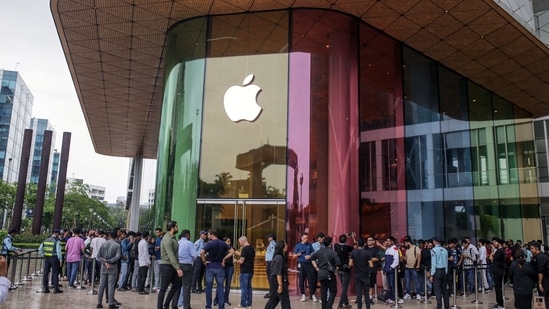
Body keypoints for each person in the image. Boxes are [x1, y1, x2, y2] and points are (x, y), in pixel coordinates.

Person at [201, 229, 234, 309]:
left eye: (209, 235)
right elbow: (232, 251)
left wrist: (204, 261)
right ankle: (221, 306)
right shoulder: (223, 244)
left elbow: (201, 252)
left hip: (210, 266)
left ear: (212, 235)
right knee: (220, 287)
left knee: (208, 287)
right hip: (220, 266)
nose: (208, 236)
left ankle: (208, 306)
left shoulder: (209, 244)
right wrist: (224, 259)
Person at [157, 221, 183, 309]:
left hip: (172, 265)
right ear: (172, 228)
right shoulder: (167, 239)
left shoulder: (173, 237)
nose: (177, 228)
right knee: (163, 288)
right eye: (176, 227)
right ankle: (159, 307)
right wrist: (178, 268)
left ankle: (166, 304)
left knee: (177, 285)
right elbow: (170, 254)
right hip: (166, 266)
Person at [311, 236, 341, 309]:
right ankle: (328, 306)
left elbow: (312, 258)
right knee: (333, 291)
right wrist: (335, 271)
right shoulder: (332, 252)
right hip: (329, 273)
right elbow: (338, 263)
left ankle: (324, 307)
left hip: (321, 273)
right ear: (330, 243)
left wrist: (316, 268)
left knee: (323, 292)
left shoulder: (319, 251)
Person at [96, 230, 122, 309]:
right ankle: (111, 304)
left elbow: (98, 256)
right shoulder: (117, 245)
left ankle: (99, 303)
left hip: (104, 267)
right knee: (111, 285)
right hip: (113, 267)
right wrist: (109, 262)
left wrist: (105, 262)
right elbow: (118, 257)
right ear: (116, 236)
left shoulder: (104, 244)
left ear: (110, 236)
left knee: (101, 285)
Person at [349, 238, 376, 309]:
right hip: (365, 274)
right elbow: (371, 265)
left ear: (357, 244)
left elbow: (350, 264)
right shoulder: (367, 253)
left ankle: (359, 307)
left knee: (359, 293)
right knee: (366, 293)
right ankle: (368, 307)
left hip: (357, 274)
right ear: (364, 244)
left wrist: (356, 262)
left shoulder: (353, 252)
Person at [264, 240, 291, 309]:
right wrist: (280, 285)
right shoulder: (279, 258)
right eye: (285, 245)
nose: (287, 246)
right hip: (278, 280)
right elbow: (278, 273)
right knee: (285, 300)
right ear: (282, 247)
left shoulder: (277, 257)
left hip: (274, 279)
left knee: (274, 299)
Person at [37, 229, 63, 294]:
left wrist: (44, 254)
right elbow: (58, 251)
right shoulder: (57, 241)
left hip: (47, 258)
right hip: (54, 258)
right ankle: (56, 288)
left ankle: (45, 288)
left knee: (45, 273)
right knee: (55, 273)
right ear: (56, 233)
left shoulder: (46, 240)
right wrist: (60, 259)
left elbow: (40, 249)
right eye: (58, 234)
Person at [177, 229, 197, 309]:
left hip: (178, 266)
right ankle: (186, 306)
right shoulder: (189, 243)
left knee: (177, 286)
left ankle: (177, 303)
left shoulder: (177, 243)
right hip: (187, 266)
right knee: (186, 287)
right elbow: (195, 255)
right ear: (187, 235)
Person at [294, 233, 316, 302]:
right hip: (301, 263)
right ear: (301, 238)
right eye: (304, 238)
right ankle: (303, 294)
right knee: (301, 279)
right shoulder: (298, 245)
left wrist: (310, 256)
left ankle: (312, 294)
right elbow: (294, 254)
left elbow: (313, 253)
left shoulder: (310, 245)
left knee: (310, 279)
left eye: (307, 238)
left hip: (308, 264)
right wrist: (298, 254)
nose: (306, 239)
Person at [334, 233, 354, 309]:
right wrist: (352, 238)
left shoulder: (336, 246)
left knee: (343, 286)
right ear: (346, 240)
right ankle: (340, 305)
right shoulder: (348, 247)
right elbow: (355, 247)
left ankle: (346, 303)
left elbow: (339, 242)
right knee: (345, 288)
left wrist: (345, 236)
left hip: (339, 269)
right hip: (346, 269)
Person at [235, 236, 255, 309]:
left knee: (244, 288)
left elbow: (242, 260)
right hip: (250, 270)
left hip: (244, 271)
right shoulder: (252, 249)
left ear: (243, 241)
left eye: (240, 242)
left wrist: (236, 261)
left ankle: (243, 304)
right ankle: (249, 304)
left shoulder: (244, 249)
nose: (240, 244)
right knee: (249, 287)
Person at [429, 236, 449, 309]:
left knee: (438, 290)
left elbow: (434, 263)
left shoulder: (433, 250)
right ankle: (447, 306)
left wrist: (432, 274)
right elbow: (446, 263)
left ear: (434, 241)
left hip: (438, 271)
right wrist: (446, 272)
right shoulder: (445, 250)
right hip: (444, 270)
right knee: (445, 291)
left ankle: (439, 307)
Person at [214, 237, 234, 306]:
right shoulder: (221, 248)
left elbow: (237, 253)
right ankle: (216, 299)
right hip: (222, 267)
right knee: (220, 284)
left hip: (230, 267)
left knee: (228, 285)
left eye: (230, 241)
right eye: (228, 241)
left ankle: (226, 299)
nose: (229, 243)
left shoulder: (231, 248)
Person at [402, 236, 422, 301]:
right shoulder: (407, 250)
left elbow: (419, 256)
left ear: (408, 242)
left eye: (405, 243)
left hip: (414, 267)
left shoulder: (416, 248)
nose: (405, 244)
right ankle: (408, 293)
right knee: (407, 281)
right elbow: (405, 258)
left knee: (416, 281)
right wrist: (401, 256)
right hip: (407, 267)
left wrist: (418, 265)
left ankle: (418, 294)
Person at [530, 241, 549, 309]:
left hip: (544, 281)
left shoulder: (541, 257)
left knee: (544, 297)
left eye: (532, 249)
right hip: (541, 280)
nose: (531, 250)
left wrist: (540, 283)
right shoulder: (537, 257)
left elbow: (540, 271)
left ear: (537, 248)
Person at [490, 238, 506, 309]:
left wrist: (492, 250)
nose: (494, 244)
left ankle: (501, 304)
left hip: (498, 271)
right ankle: (499, 303)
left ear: (499, 243)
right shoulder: (499, 251)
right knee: (497, 288)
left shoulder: (500, 251)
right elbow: (491, 258)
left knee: (498, 288)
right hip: (496, 271)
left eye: (495, 242)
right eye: (493, 243)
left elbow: (492, 257)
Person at [136, 231, 151, 295]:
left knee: (140, 275)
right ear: (147, 236)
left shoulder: (140, 242)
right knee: (143, 276)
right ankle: (141, 289)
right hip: (144, 261)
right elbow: (146, 253)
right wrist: (149, 262)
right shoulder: (144, 243)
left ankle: (139, 288)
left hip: (141, 261)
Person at [264, 233, 277, 299]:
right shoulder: (271, 244)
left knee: (271, 278)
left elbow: (273, 252)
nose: (268, 238)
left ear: (272, 238)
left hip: (271, 262)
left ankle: (272, 293)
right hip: (270, 262)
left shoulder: (272, 244)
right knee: (270, 278)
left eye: (269, 237)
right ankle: (271, 292)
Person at [152, 227, 163, 292]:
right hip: (156, 258)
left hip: (161, 258)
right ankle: (156, 285)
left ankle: (161, 285)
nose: (157, 234)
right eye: (156, 233)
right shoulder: (156, 239)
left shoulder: (163, 239)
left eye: (158, 232)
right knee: (156, 273)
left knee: (161, 273)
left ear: (161, 232)